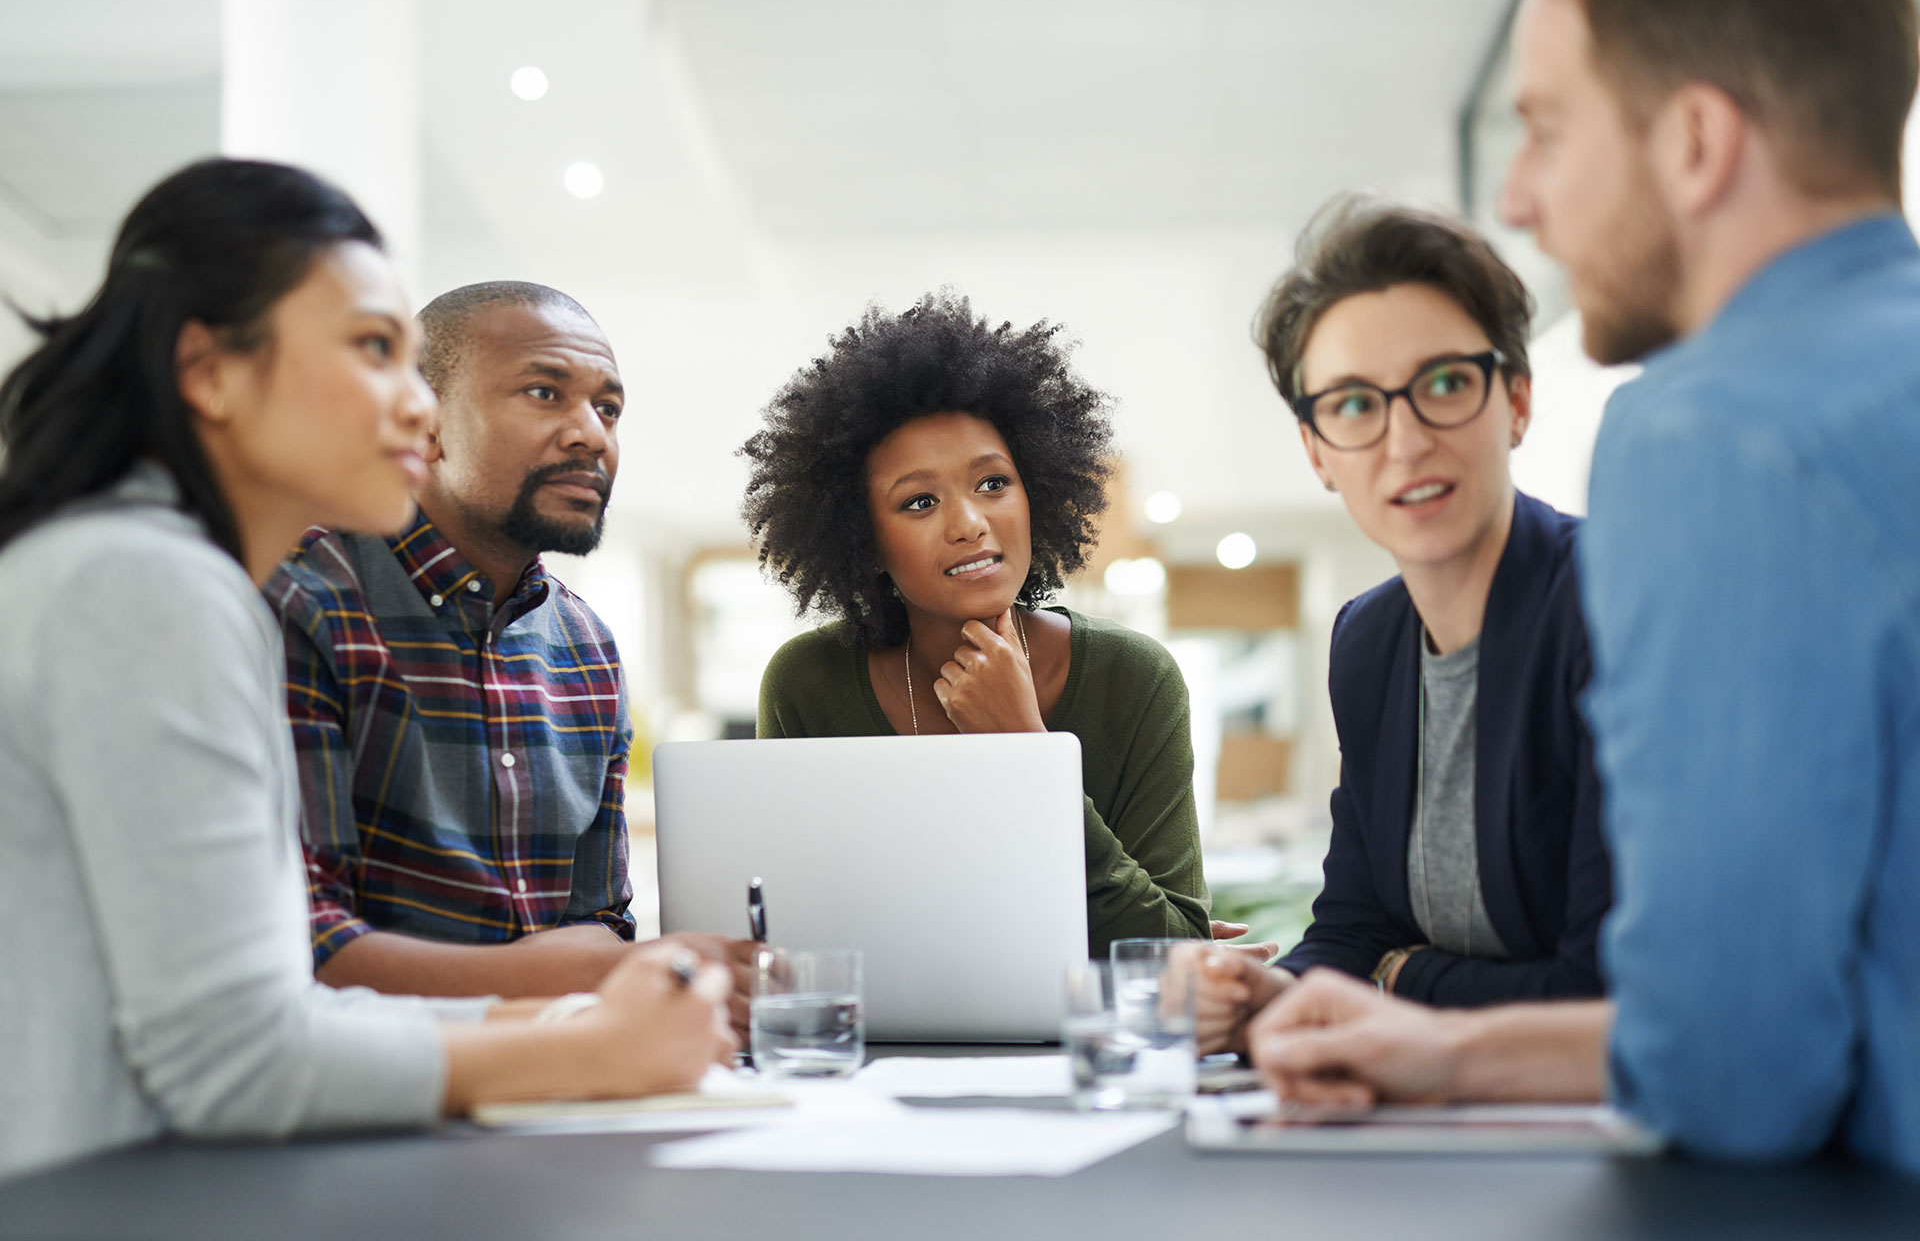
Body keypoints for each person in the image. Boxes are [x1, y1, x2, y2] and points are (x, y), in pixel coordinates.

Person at [1247, 0, 1920, 1175]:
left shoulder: (1716, 433)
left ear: (1699, 142)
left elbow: (1736, 1071)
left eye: (1547, 130)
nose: (1522, 194)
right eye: (1351, 406)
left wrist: (1421, 1007)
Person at [0, 158, 733, 1181]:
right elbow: (236, 1057)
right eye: (375, 350)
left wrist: (583, 1012)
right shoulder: (146, 584)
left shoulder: (144, 570)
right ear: (208, 370)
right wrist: (584, 1048)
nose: (415, 408)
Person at [263, 281, 754, 1034]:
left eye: (608, 408)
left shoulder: (587, 649)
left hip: (559, 1083)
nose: (590, 433)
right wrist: (579, 975)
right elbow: (296, 944)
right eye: (544, 392)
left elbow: (598, 926)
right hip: (364, 1092)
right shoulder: (304, 600)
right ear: (424, 425)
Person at [1188, 200, 1609, 1056]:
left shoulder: (1609, 601)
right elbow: (1352, 924)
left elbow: (1601, 985)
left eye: (1445, 384)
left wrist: (1400, 977)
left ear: (1516, 400)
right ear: (1317, 452)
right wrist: (1270, 992)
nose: (1405, 441)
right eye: (1353, 405)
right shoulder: (1368, 643)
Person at [740, 293, 1211, 956]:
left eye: (992, 483)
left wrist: (1027, 750)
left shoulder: (1133, 679)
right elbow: (790, 940)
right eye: (920, 500)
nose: (968, 522)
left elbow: (1171, 954)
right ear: (865, 540)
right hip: (875, 1051)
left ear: (1036, 494)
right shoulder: (807, 684)